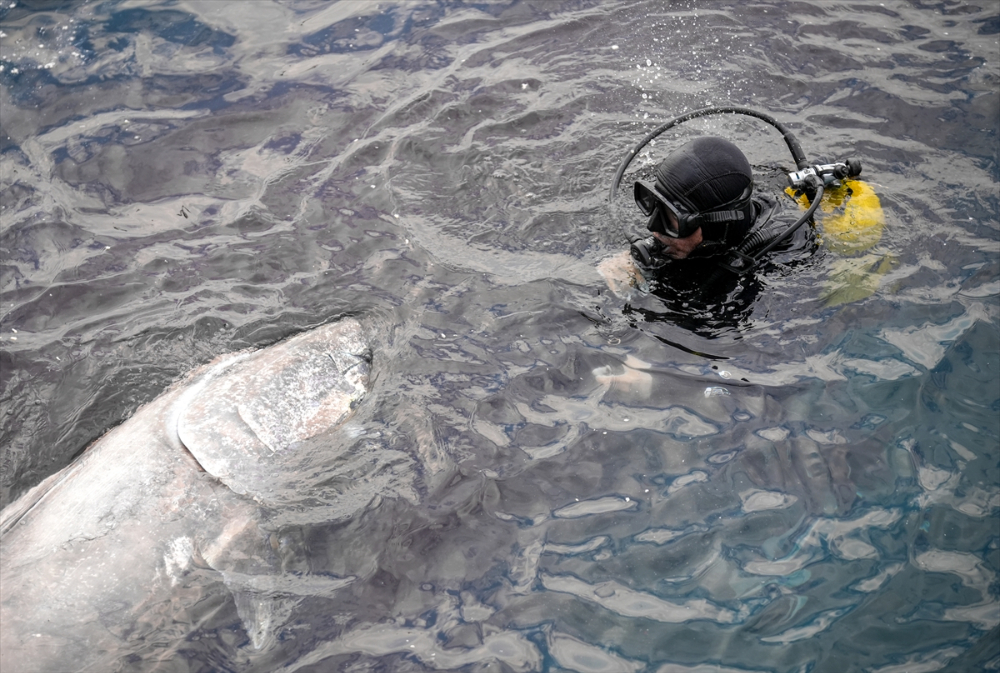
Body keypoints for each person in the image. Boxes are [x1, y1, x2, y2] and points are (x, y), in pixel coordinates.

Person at [599, 135, 817, 335]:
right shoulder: (697, 233)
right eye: (654, 204)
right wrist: (638, 265)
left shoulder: (782, 260)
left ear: (716, 227)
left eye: (672, 219)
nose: (653, 228)